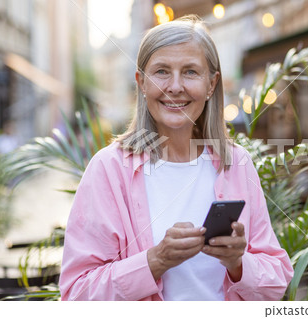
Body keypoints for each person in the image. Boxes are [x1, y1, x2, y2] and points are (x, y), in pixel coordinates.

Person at [59, 15, 293, 301]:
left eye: (191, 72)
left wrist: (239, 263)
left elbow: (277, 281)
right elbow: (77, 294)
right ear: (141, 83)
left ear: (211, 84)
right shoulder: (109, 169)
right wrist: (155, 261)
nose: (175, 86)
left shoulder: (236, 163)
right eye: (161, 72)